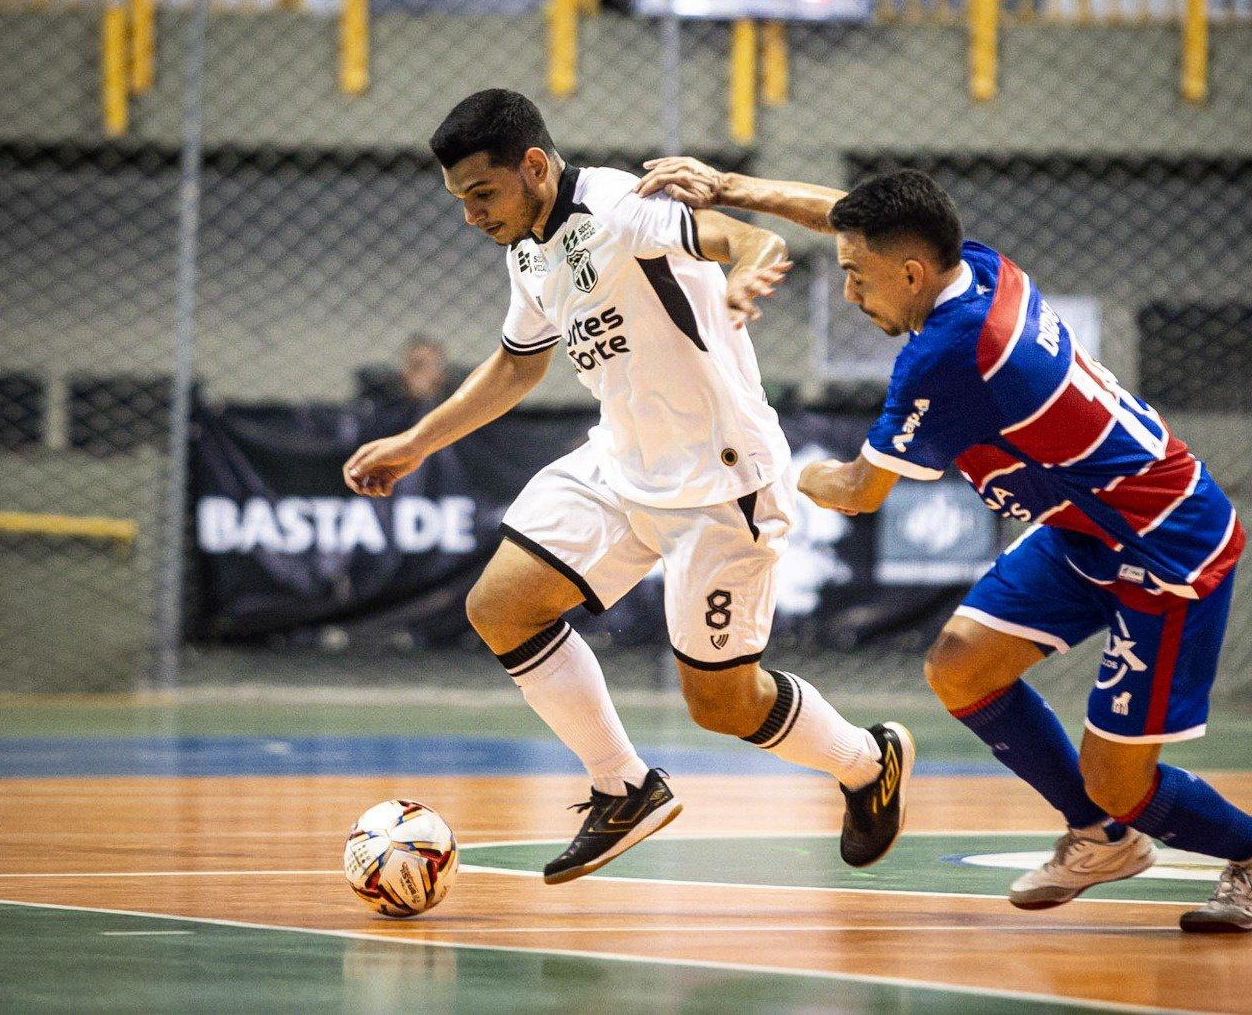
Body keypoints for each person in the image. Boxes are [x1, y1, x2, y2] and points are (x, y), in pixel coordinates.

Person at [636, 156, 1252, 933]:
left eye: (858, 277)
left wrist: (764, 464)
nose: (850, 292)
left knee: (1118, 777)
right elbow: (849, 216)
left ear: (913, 273)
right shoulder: (975, 266)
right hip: (1086, 522)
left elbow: (860, 491)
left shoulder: (949, 352)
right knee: (960, 665)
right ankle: (1100, 839)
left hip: (1167, 547)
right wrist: (732, 188)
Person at [342, 90, 912, 885]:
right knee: (500, 604)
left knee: (721, 704)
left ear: (534, 167)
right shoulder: (528, 250)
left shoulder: (620, 205)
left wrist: (746, 271)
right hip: (621, 462)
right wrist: (414, 442)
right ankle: (625, 785)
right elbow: (518, 361)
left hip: (722, 484)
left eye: (482, 194)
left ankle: (864, 761)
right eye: (460, 200)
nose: (471, 215)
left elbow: (748, 237)